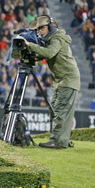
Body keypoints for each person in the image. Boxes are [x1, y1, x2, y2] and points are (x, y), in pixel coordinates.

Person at [19, 15, 81, 149]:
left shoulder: (57, 39)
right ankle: (61, 139)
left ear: (50, 27)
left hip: (68, 79)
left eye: (42, 28)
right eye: (38, 29)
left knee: (60, 110)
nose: (40, 31)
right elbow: (46, 53)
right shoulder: (52, 39)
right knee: (55, 110)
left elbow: (49, 53)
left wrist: (30, 45)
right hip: (62, 80)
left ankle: (58, 142)